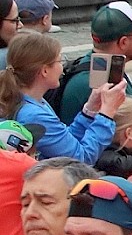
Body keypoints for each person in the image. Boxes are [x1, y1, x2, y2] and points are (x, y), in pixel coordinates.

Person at [1, 32, 120, 165]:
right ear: (44, 71)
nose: (61, 67)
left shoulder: (32, 100)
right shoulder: (34, 114)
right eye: (59, 61)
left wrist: (89, 110)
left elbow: (65, 140)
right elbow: (80, 159)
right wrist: (107, 115)